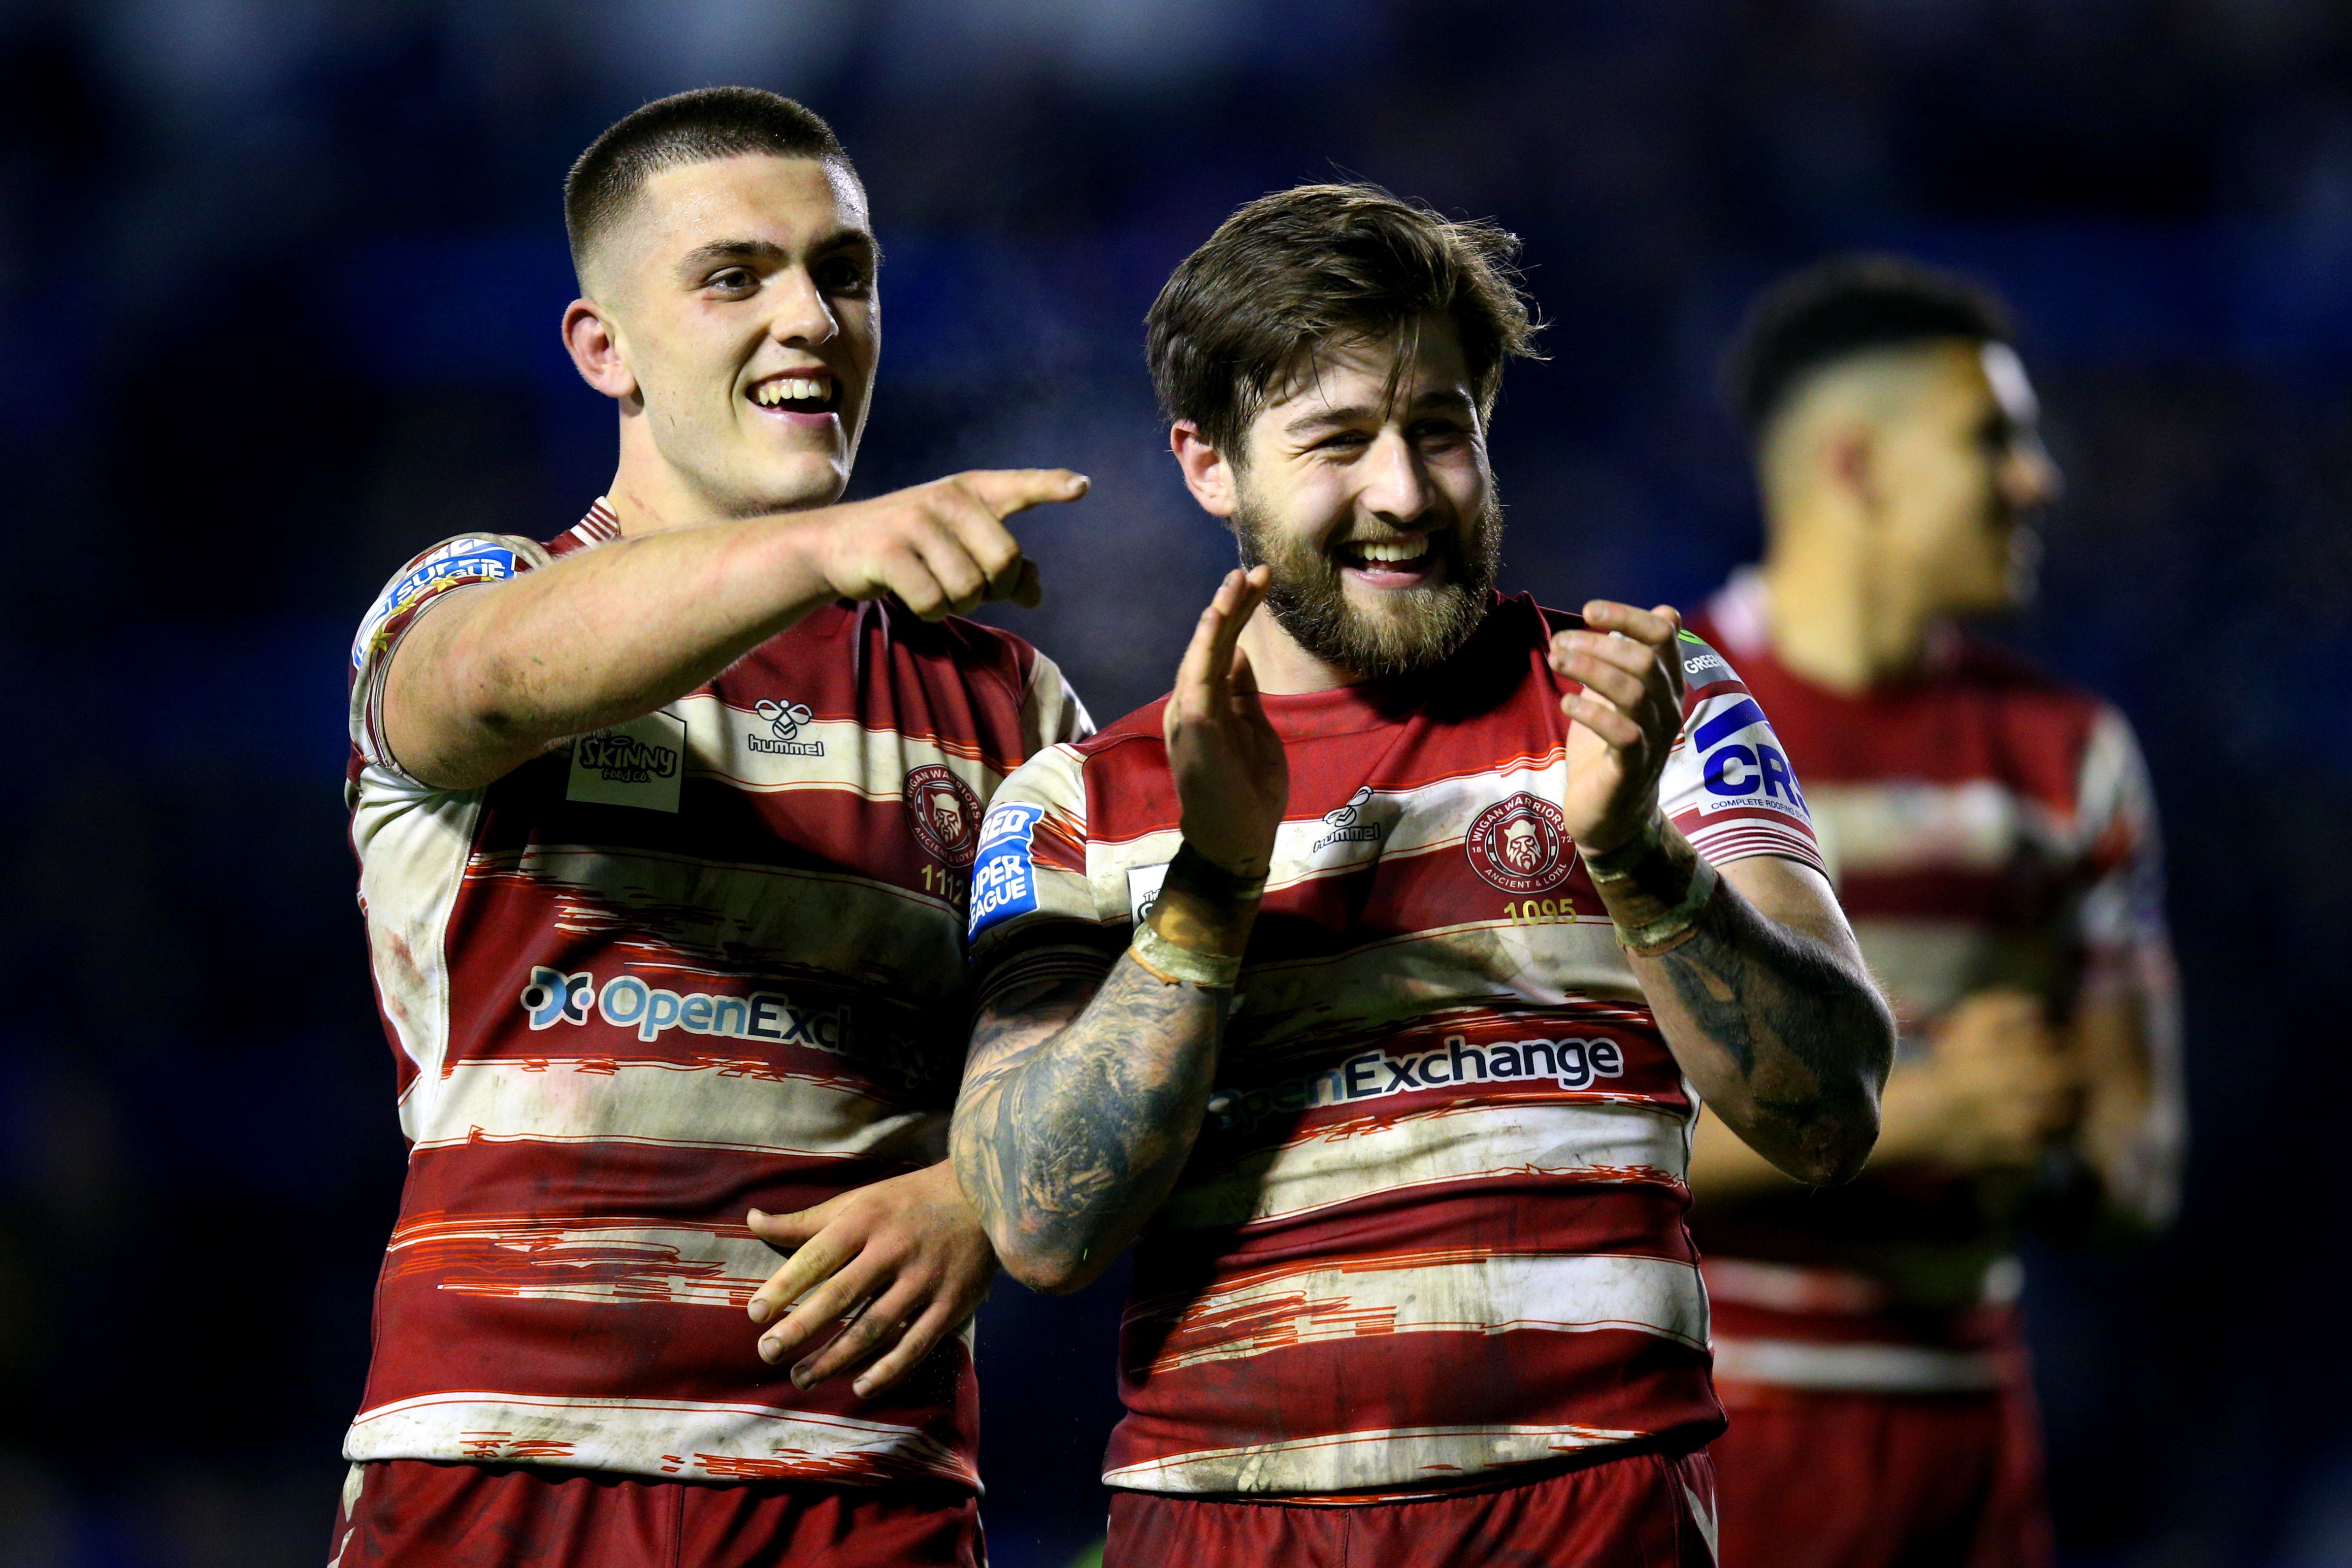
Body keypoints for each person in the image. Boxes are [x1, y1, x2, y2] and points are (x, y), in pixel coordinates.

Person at [950, 183, 1897, 1567]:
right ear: (1210, 466)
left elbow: (1831, 1114)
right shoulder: (1078, 801)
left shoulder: (1644, 702)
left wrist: (1635, 860)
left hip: (1596, 1516)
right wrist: (1213, 884)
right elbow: (1041, 1224)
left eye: (1440, 431)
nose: (1403, 492)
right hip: (1231, 1527)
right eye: (1338, 441)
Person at [328, 88, 1093, 1567]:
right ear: (600, 346)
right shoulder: (473, 595)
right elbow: (482, 682)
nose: (809, 317)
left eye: (843, 275)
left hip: (863, 1485)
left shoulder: (1010, 702)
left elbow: (1085, 1072)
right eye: (736, 276)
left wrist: (977, 1193)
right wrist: (812, 550)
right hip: (505, 1462)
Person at [1685, 256, 2185, 1568]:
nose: (2038, 480)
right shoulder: (1644, 724)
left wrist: (2055, 1131)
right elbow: (1548, 1138)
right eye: (1994, 440)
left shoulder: (2070, 755)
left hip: (1971, 1451)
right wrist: (1916, 1116)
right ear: (1857, 465)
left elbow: (2143, 1162)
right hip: (1714, 1438)